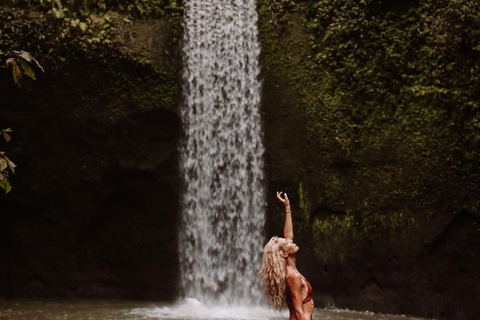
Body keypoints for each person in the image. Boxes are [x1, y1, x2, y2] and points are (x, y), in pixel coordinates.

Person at [260, 191, 314, 320]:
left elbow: (289, 235)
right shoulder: (293, 276)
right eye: (288, 243)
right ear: (284, 254)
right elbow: (299, 312)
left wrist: (287, 207)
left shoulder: (290, 271)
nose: (291, 241)